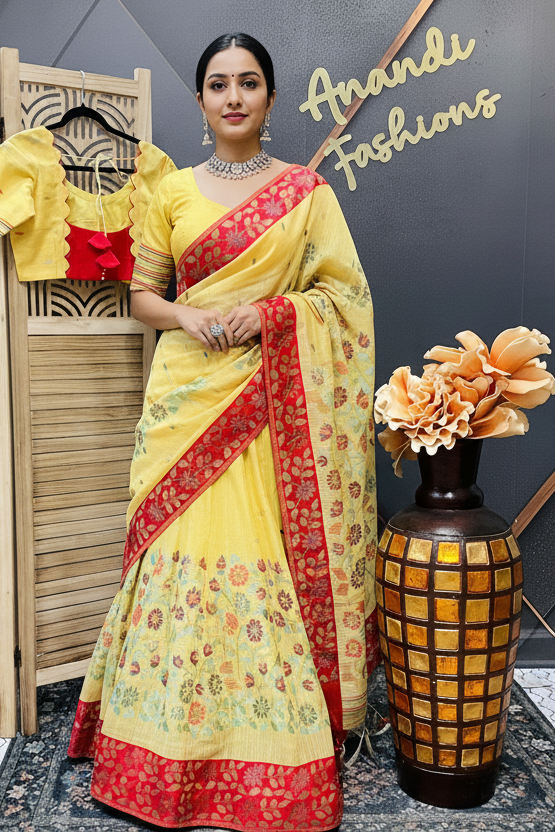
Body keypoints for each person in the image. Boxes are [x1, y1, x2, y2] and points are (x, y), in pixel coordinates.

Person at [68, 32, 379, 831]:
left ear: (271, 100)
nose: (233, 97)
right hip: (185, 394)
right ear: (201, 100)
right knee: (174, 553)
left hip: (268, 398)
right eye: (218, 84)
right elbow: (141, 296)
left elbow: (343, 302)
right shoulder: (168, 191)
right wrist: (193, 314)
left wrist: (273, 313)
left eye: (248, 83)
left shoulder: (306, 193)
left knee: (252, 553)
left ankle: (264, 747)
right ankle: (155, 746)